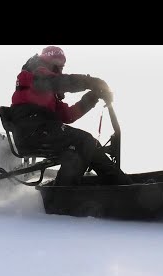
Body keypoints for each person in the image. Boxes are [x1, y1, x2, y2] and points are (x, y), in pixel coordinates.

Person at [9, 45, 132, 186]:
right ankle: (63, 195)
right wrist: (93, 82)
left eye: (63, 65)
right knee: (85, 141)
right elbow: (61, 82)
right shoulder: (36, 75)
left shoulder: (45, 91)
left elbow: (67, 115)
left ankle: (122, 185)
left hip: (43, 131)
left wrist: (93, 96)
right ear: (50, 62)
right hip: (33, 132)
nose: (61, 69)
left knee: (91, 146)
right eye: (59, 65)